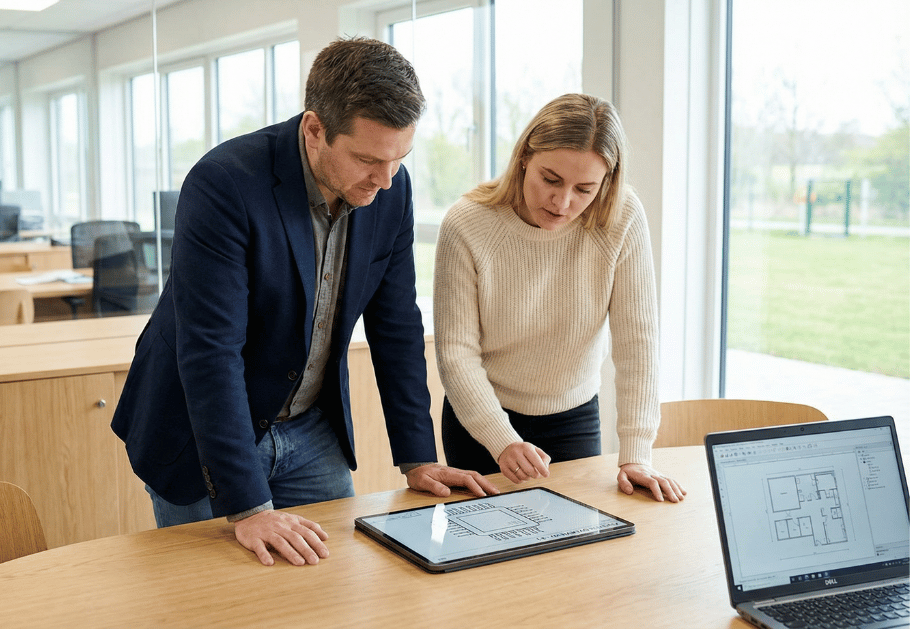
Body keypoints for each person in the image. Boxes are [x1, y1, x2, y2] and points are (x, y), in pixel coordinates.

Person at [112, 36, 498, 568]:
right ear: (315, 130)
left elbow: (396, 326)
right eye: (367, 159)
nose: (385, 180)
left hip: (310, 430)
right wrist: (248, 508)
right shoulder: (224, 183)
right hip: (204, 434)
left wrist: (418, 457)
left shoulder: (392, 188)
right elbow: (211, 351)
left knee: (332, 588)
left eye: (399, 158)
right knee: (214, 597)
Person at [433, 93, 686, 503]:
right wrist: (502, 440)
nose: (563, 202)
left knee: (577, 538)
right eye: (550, 179)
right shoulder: (468, 223)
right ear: (524, 158)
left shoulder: (621, 218)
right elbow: (456, 353)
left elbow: (637, 342)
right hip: (480, 419)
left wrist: (636, 453)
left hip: (573, 419)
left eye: (584, 189)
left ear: (606, 183)